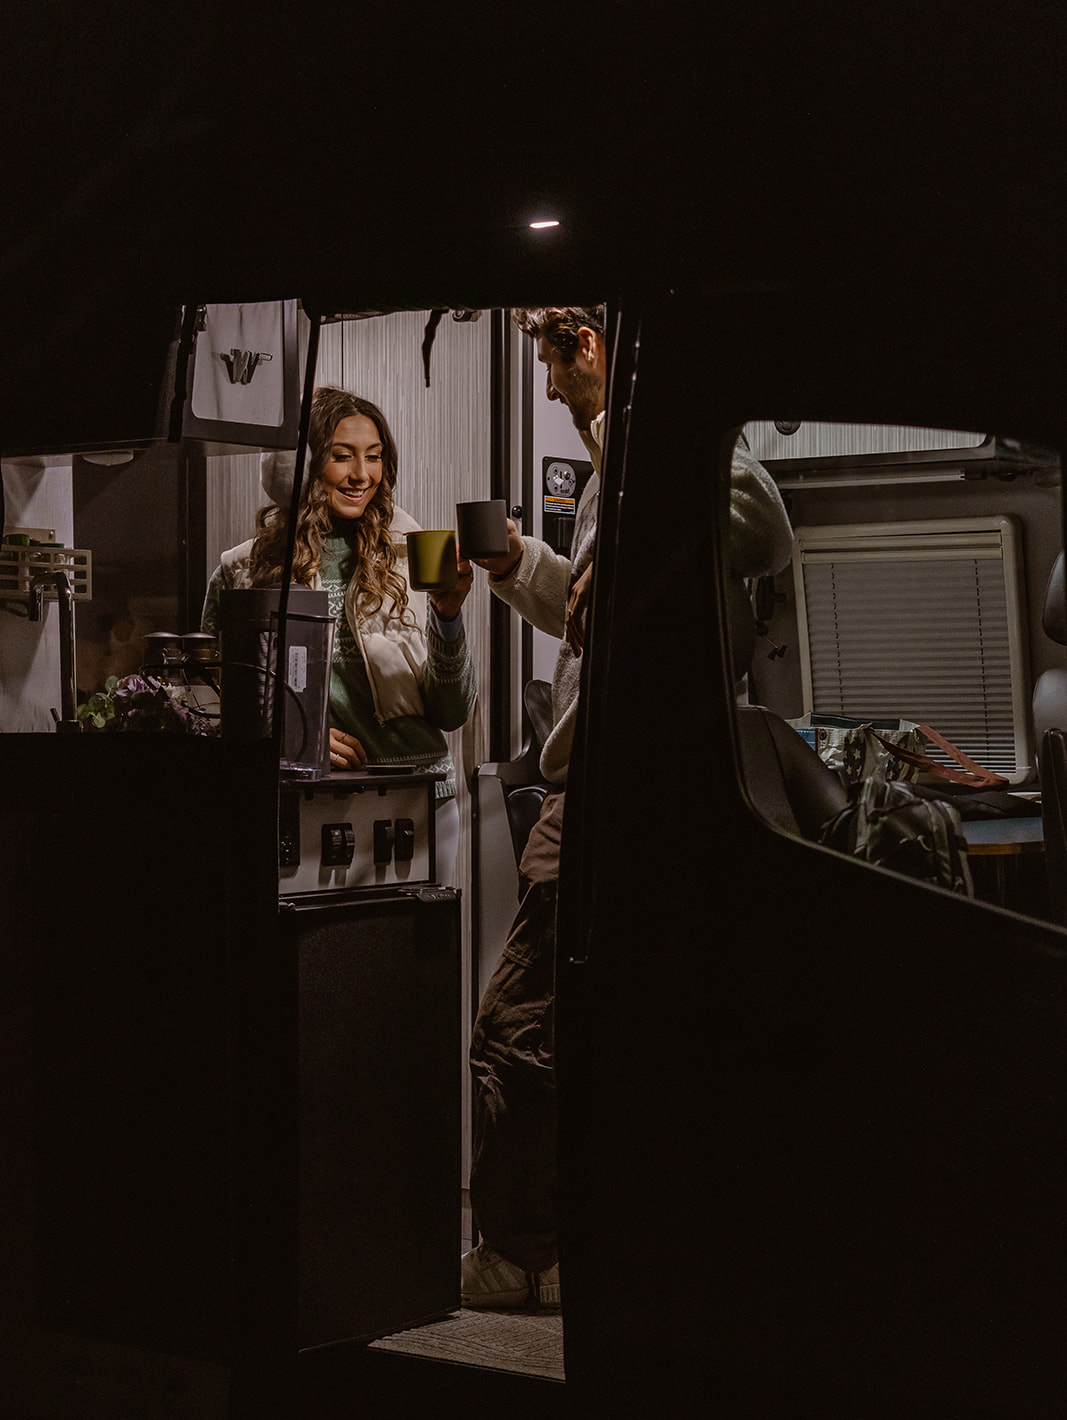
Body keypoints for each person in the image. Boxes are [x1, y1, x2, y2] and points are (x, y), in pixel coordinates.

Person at [461, 306, 794, 1310]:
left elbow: (760, 530)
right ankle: (576, 1244)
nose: (550, 389)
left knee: (515, 1028)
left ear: (596, 350)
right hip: (605, 785)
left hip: (611, 790)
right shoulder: (620, 480)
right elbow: (592, 623)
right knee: (596, 1033)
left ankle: (522, 1253)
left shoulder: (663, 453)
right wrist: (518, 567)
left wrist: (614, 413)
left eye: (557, 365)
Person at [202, 387, 477, 883]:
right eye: (341, 456)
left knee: (413, 934)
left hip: (416, 799)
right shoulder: (242, 569)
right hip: (296, 804)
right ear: (300, 466)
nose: (361, 475)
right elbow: (209, 702)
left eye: (374, 457)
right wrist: (294, 738)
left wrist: (448, 616)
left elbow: (452, 712)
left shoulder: (410, 553)